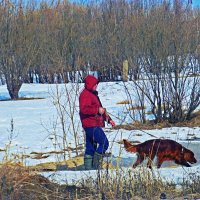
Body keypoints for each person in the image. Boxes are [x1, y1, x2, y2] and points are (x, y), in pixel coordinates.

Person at [79, 75, 116, 170]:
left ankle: (88, 169)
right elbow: (84, 109)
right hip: (91, 124)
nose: (96, 86)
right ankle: (96, 166)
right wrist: (97, 109)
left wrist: (109, 119)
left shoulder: (93, 94)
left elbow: (101, 110)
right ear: (90, 84)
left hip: (92, 124)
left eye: (96, 84)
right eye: (95, 85)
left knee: (90, 147)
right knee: (104, 143)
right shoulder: (85, 95)